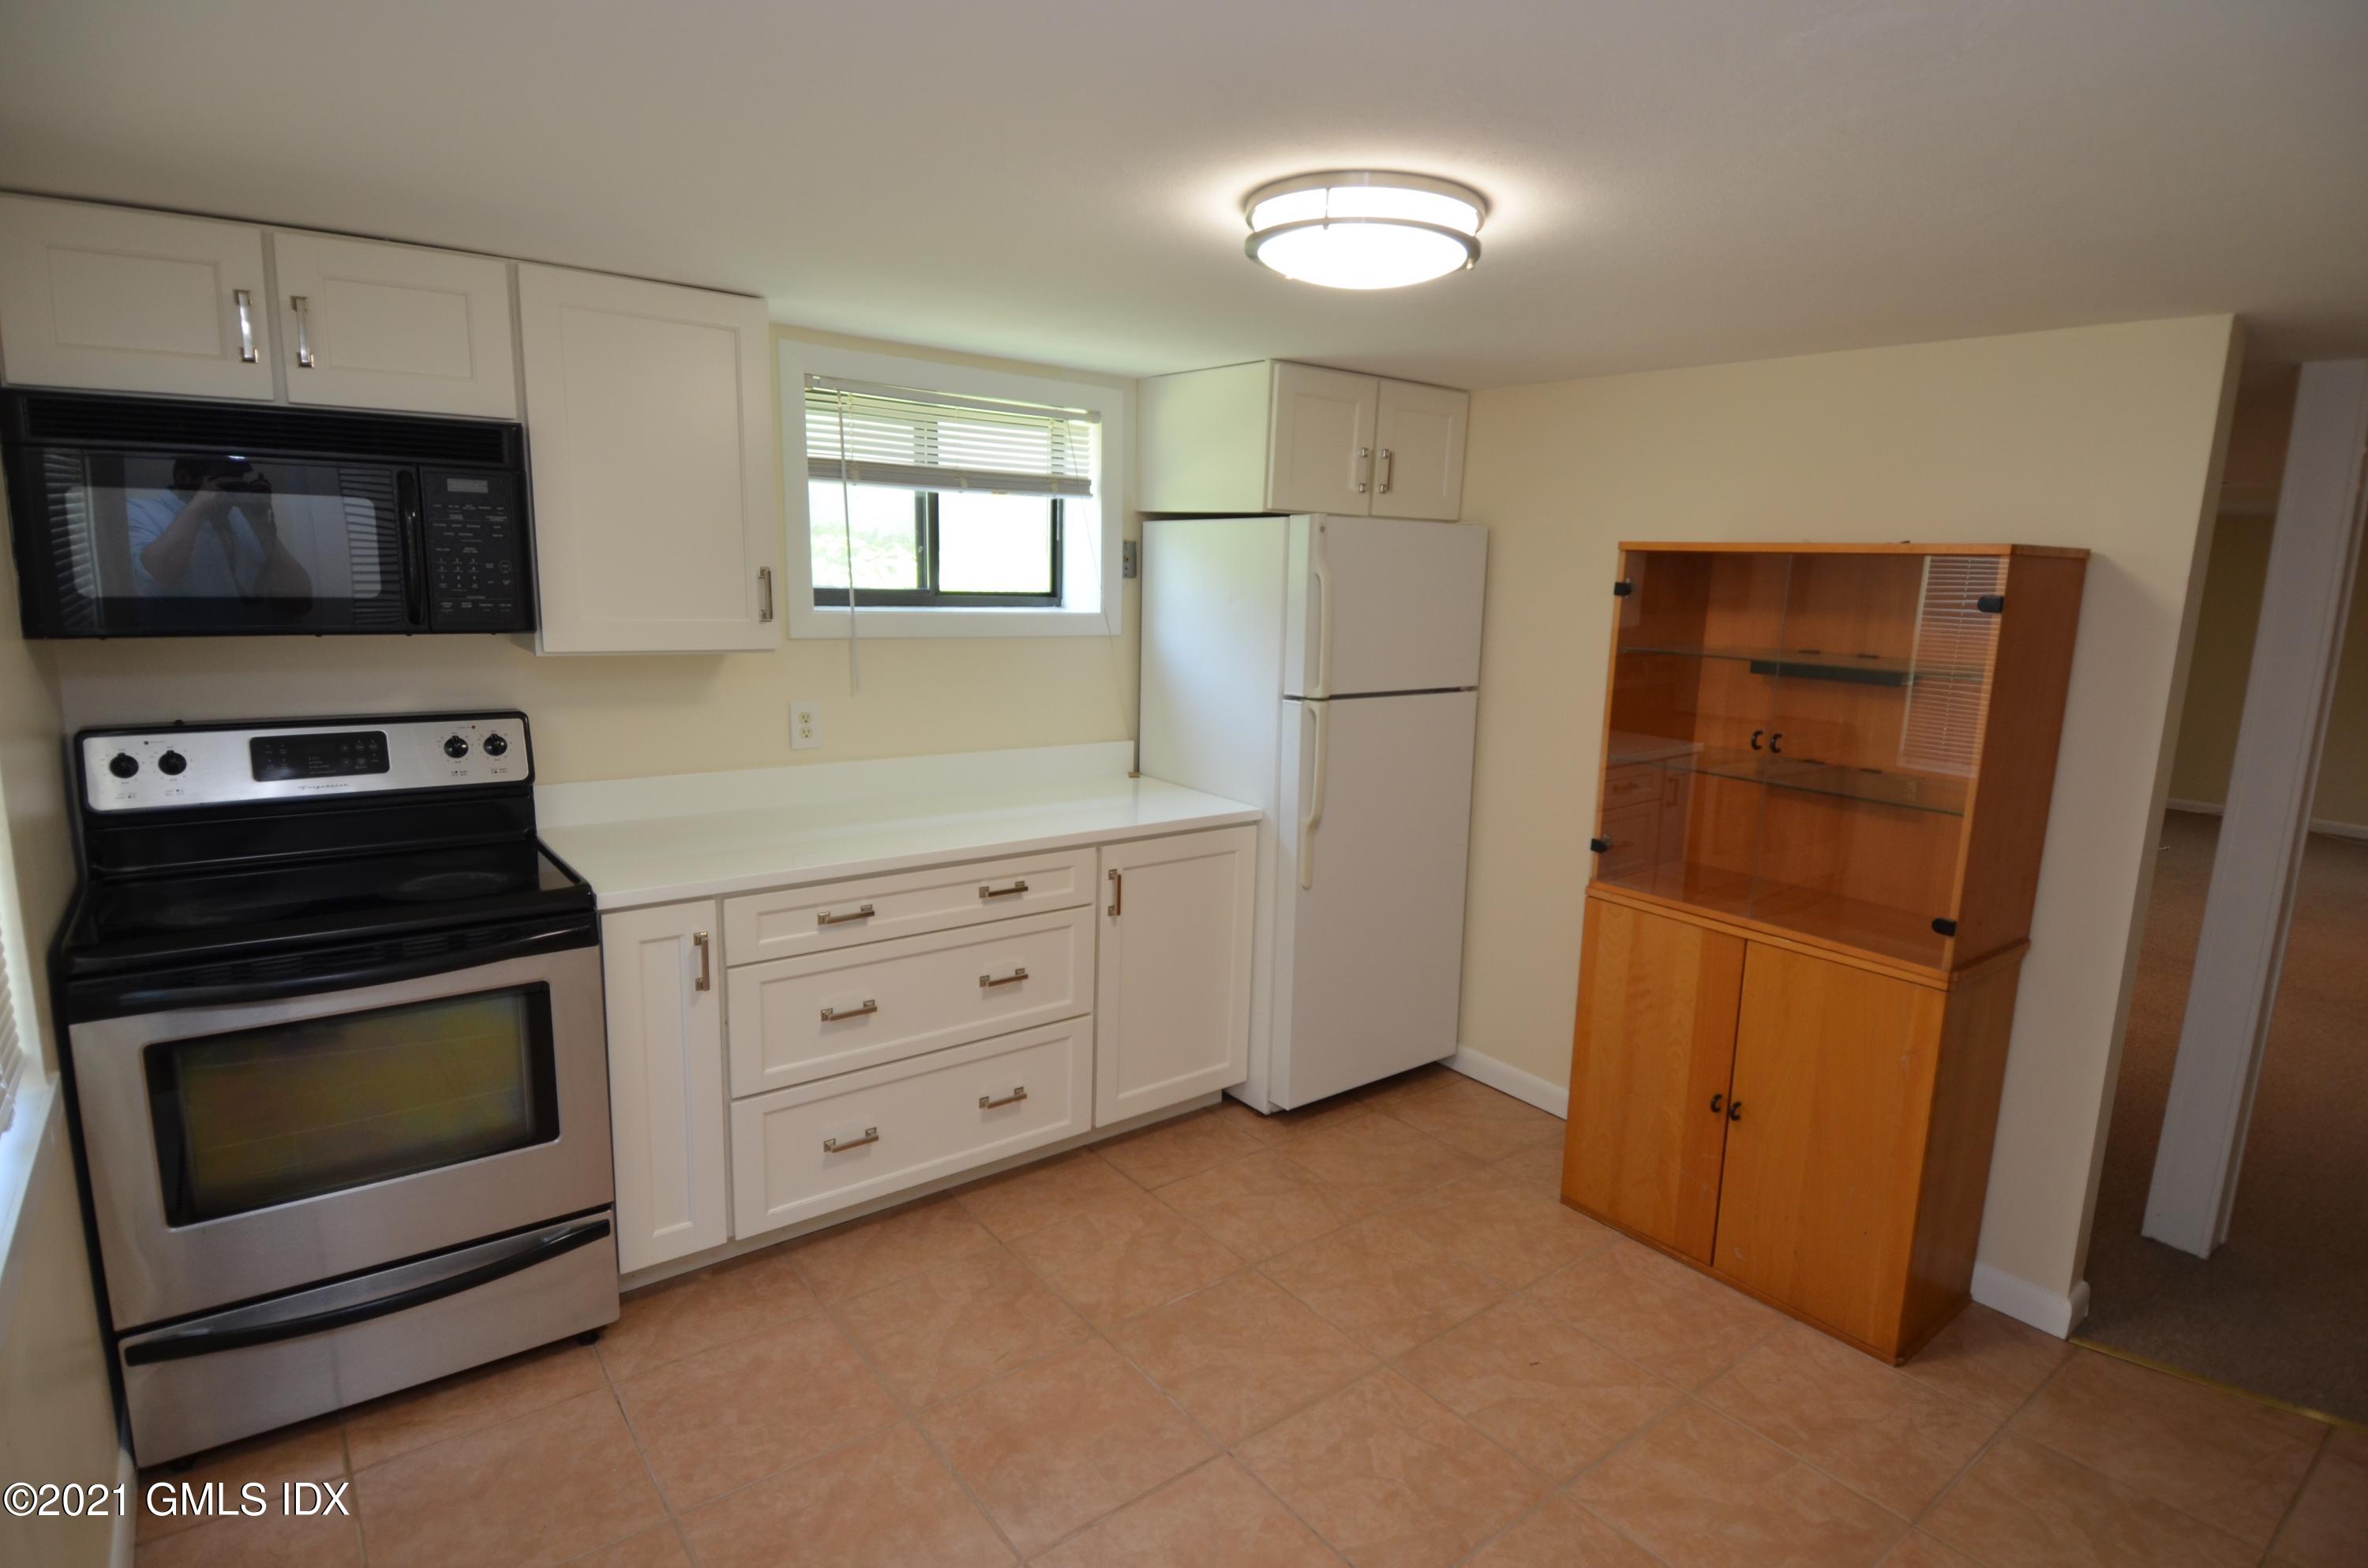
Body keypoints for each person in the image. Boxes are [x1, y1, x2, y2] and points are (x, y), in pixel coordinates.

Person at [125, 457, 314, 604]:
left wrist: (261, 524)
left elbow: (301, 598)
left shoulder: (240, 518)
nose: (230, 495)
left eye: (237, 485)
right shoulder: (140, 511)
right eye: (226, 485)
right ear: (184, 478)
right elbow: (157, 579)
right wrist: (199, 506)